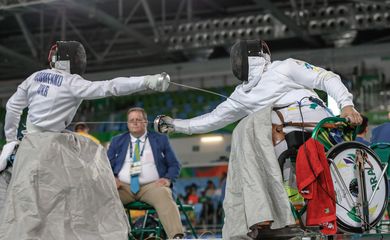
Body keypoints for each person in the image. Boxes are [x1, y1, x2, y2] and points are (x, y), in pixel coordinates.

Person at [154, 39, 362, 239]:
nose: (236, 63)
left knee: (250, 125)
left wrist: (346, 105)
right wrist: (174, 124)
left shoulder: (284, 68)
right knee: (244, 130)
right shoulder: (241, 94)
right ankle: (266, 209)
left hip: (313, 122)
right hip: (276, 131)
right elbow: (211, 120)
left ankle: (286, 193)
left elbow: (325, 78)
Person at [0, 40, 170, 240]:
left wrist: (11, 140)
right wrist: (147, 81)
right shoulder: (72, 82)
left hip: (28, 145)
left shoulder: (34, 77)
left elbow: (12, 107)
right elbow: (111, 87)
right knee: (90, 166)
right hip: (51, 148)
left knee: (25, 208)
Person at [107, 107, 184, 239]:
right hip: (123, 186)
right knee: (105, 198)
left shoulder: (160, 139)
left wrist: (167, 179)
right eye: (131, 120)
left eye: (138, 119)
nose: (135, 122)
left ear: (145, 122)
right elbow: (105, 166)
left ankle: (176, 236)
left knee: (164, 194)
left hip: (152, 186)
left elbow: (174, 164)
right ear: (127, 123)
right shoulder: (117, 141)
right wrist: (112, 178)